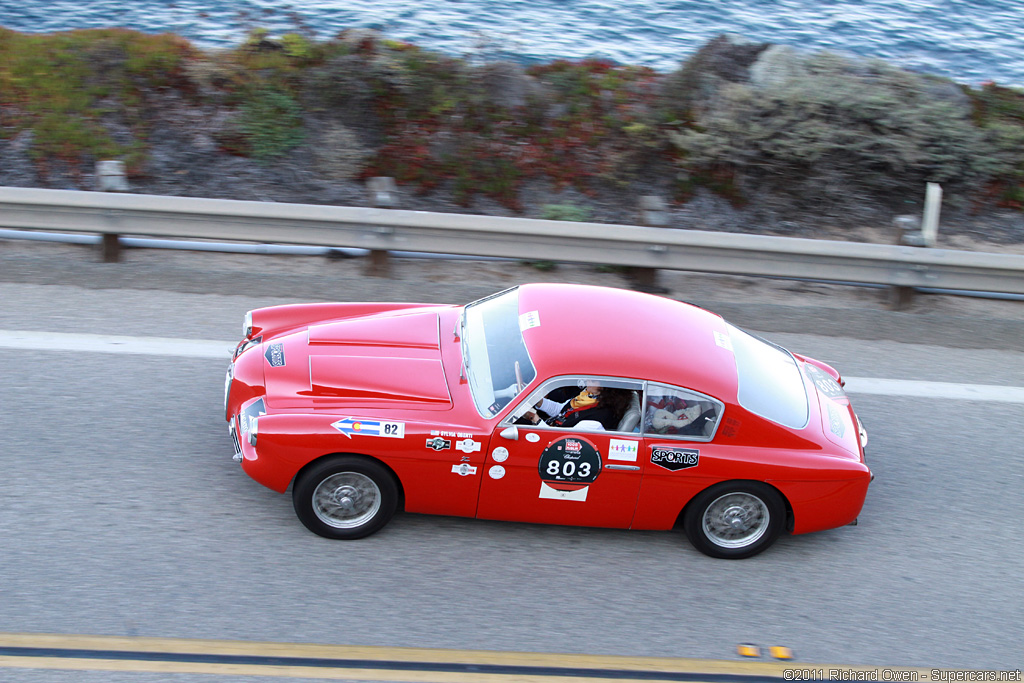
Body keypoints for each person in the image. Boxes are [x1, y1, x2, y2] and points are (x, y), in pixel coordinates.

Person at [522, 380, 633, 431]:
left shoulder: (596, 421)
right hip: (552, 427)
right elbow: (561, 410)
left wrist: (534, 419)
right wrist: (538, 401)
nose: (587, 381)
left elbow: (560, 439)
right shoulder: (588, 396)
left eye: (593, 381)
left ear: (606, 389)